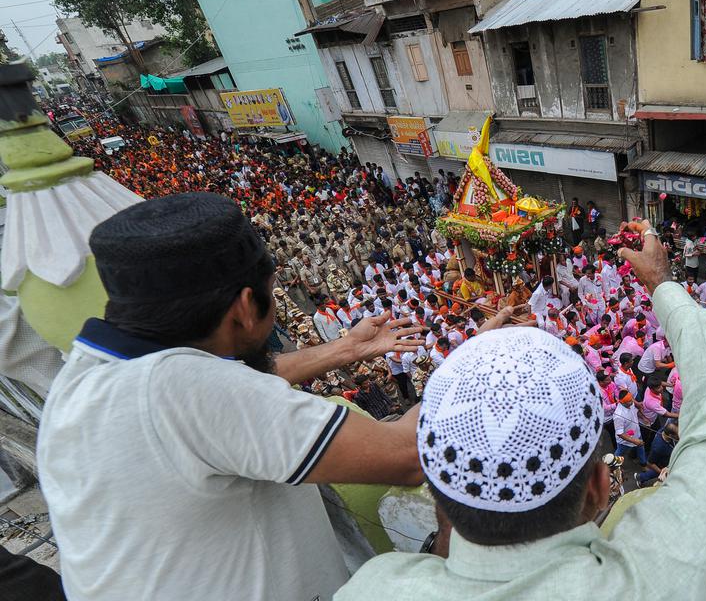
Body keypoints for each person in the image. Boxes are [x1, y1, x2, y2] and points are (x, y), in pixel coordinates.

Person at [337, 221, 706, 600]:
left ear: (439, 505)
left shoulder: (376, 587)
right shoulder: (669, 573)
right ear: (600, 489)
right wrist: (660, 282)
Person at [38, 193, 427, 600]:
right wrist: (471, 363)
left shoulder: (84, 376)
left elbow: (233, 383)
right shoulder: (190, 390)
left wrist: (345, 349)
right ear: (245, 306)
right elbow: (409, 456)